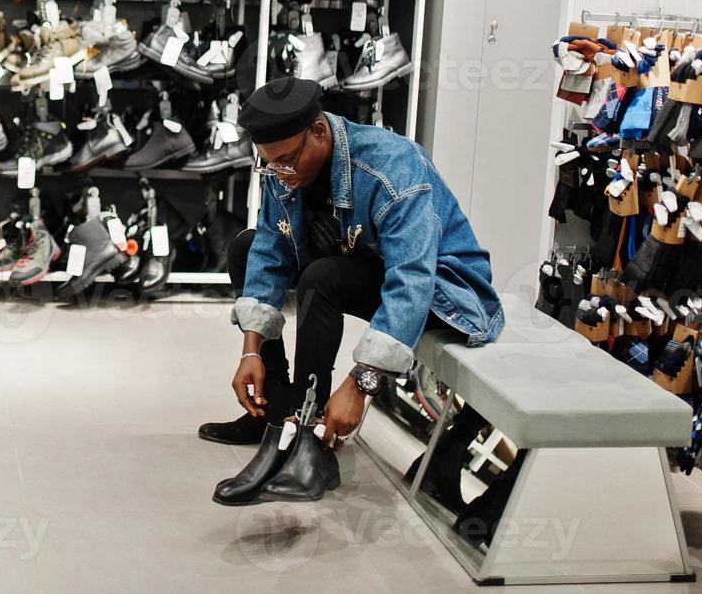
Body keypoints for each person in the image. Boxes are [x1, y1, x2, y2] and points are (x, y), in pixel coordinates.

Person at [204, 76, 504, 506]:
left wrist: (361, 383)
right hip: (369, 261)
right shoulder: (283, 165)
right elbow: (271, 247)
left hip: (447, 291)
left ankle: (311, 441)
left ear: (320, 132)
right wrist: (251, 350)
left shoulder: (393, 167)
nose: (280, 175)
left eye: (287, 162)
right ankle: (274, 414)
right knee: (246, 247)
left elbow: (411, 280)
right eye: (269, 164)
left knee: (322, 276)